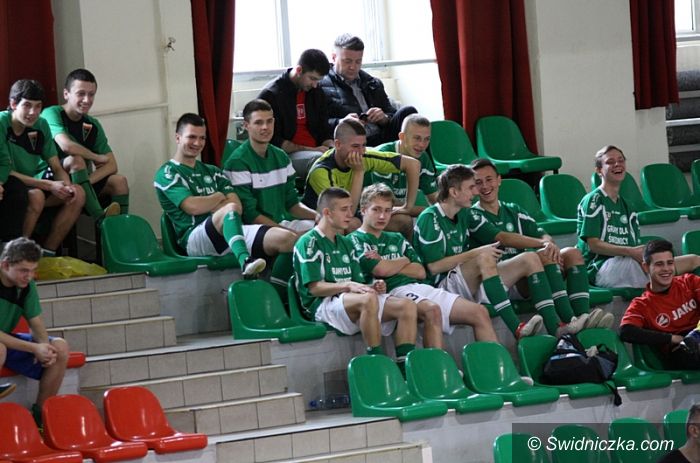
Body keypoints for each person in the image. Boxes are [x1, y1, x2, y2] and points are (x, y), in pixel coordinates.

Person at [413, 165, 587, 339]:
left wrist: (544, 243)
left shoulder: (465, 213)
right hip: (440, 287)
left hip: (467, 280)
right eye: (471, 187)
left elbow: (497, 236)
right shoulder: (430, 217)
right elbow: (434, 267)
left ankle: (559, 327)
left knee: (530, 258)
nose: (476, 192)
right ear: (454, 192)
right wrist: (476, 252)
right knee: (484, 256)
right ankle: (517, 328)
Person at [350, 184, 498, 349]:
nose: (382, 216)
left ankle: (495, 366)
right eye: (376, 210)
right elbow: (380, 270)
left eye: (387, 210)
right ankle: (436, 365)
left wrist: (390, 263)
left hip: (418, 286)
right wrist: (404, 260)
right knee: (432, 310)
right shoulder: (355, 239)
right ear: (363, 210)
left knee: (479, 312)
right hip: (391, 292)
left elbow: (420, 272)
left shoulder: (397, 237)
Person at [471, 158, 613, 329]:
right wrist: (542, 245)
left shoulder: (513, 210)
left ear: (499, 180)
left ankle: (583, 316)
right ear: (473, 187)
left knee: (572, 253)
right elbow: (503, 237)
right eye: (478, 182)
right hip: (499, 281)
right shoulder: (473, 215)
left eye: (489, 179)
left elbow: (543, 235)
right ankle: (568, 320)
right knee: (536, 256)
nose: (485, 186)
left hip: (526, 274)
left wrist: (549, 245)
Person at [293, 187, 417, 369]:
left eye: (351, 208)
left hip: (348, 299)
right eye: (344, 209)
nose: (351, 215)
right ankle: (377, 365)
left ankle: (404, 371)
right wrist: (348, 285)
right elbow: (314, 288)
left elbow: (358, 281)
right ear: (327, 212)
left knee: (407, 306)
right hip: (321, 304)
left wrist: (374, 285)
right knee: (368, 300)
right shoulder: (309, 242)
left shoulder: (345, 242)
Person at [154, 112, 280, 277]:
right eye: (191, 137)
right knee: (229, 209)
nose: (197, 143)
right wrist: (219, 196)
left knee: (285, 239)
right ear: (178, 138)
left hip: (230, 230)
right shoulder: (168, 172)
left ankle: (280, 290)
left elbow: (238, 207)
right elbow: (192, 207)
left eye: (202, 138)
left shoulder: (212, 171)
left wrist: (208, 205)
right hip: (194, 238)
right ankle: (245, 260)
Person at [578, 145, 700, 288]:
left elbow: (634, 247)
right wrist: (630, 252)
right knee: (658, 269)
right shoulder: (594, 200)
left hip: (628, 263)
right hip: (601, 268)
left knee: (694, 260)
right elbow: (593, 245)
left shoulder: (628, 206)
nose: (617, 164)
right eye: (610, 162)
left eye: (621, 160)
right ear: (599, 170)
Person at [1, 79, 86, 256]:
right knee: (36, 196)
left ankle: (47, 253)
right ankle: (18, 254)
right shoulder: (2, 123)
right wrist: (48, 185)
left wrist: (65, 186)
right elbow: (5, 170)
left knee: (77, 194)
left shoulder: (41, 125)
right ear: (13, 104)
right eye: (27, 105)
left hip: (37, 180)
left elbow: (55, 166)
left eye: (38, 106)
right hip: (13, 184)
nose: (33, 112)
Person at [302, 119, 420, 231]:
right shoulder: (322, 171)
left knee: (403, 221)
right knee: (352, 224)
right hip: (321, 220)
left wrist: (407, 207)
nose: (361, 151)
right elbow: (347, 213)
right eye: (355, 146)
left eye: (363, 145)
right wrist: (359, 172)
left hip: (353, 212)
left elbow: (413, 165)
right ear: (338, 144)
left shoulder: (363, 156)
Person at [0, 237, 69, 425]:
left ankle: (40, 416)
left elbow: (36, 322)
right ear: (5, 265)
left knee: (59, 347)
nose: (29, 276)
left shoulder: (26, 286)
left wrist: (44, 347)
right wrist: (33, 348)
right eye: (24, 270)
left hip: (6, 340)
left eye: (32, 270)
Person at [42, 68, 127, 218]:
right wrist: (96, 157)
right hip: (51, 180)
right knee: (76, 160)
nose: (87, 100)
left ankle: (119, 228)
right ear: (66, 94)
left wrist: (85, 181)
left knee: (119, 181)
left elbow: (112, 165)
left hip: (80, 180)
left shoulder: (92, 124)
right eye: (81, 94)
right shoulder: (52, 113)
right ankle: (100, 217)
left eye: (91, 94)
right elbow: (67, 146)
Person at [224, 99, 317, 235]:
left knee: (329, 229)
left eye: (269, 121)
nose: (265, 127)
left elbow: (292, 203)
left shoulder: (281, 157)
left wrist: (320, 217)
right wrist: (291, 234)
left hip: (281, 224)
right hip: (253, 230)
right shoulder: (238, 163)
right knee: (293, 237)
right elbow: (249, 215)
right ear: (246, 125)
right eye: (258, 122)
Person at [319, 33, 417, 146]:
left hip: (382, 136)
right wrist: (341, 122)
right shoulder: (320, 86)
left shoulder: (373, 83)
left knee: (409, 113)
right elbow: (317, 124)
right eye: (347, 61)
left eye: (358, 61)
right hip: (354, 142)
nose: (353, 67)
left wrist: (384, 118)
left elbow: (391, 112)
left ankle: (427, 157)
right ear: (334, 57)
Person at [620, 240, 700, 370]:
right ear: (646, 267)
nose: (666, 269)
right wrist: (672, 338)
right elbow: (626, 331)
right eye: (659, 264)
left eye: (670, 263)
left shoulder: (689, 282)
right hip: (682, 351)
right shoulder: (642, 304)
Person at [257, 49, 334, 177]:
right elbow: (273, 141)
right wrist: (313, 150)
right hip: (285, 156)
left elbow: (324, 129)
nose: (315, 85)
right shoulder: (271, 95)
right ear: (299, 70)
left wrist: (332, 147)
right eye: (312, 79)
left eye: (318, 80)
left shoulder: (316, 92)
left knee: (351, 155)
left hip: (318, 150)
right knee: (320, 161)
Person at [368, 114, 438, 239]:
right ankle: (410, 251)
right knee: (404, 221)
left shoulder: (423, 157)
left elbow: (434, 197)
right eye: (417, 138)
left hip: (390, 210)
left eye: (426, 139)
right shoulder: (384, 154)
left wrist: (449, 207)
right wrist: (429, 211)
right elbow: (388, 203)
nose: (422, 145)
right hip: (368, 211)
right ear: (402, 137)